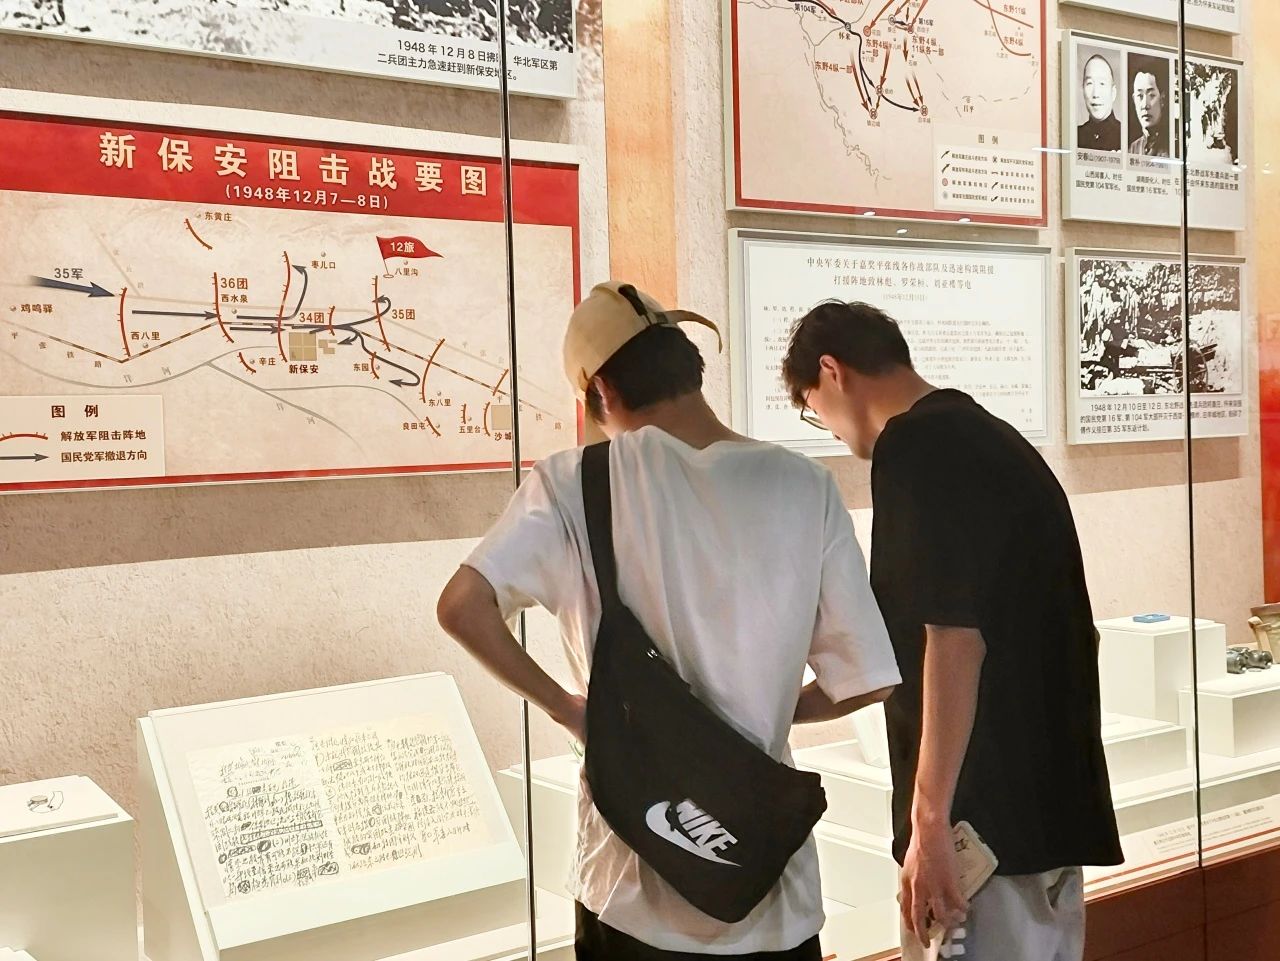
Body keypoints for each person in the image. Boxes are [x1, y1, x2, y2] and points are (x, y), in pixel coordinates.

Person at [437, 282, 901, 960]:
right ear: (688, 365)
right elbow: (868, 679)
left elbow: (461, 607)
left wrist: (571, 710)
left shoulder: (573, 482)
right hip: (769, 885)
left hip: (630, 884)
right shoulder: (804, 484)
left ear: (601, 391)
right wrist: (770, 714)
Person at [782, 302, 1123, 961]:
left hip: (980, 831)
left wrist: (930, 818)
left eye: (810, 407)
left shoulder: (914, 445)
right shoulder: (989, 436)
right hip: (1043, 819)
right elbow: (907, 652)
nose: (826, 427)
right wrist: (783, 707)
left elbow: (955, 638)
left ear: (831, 372)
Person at [1076, 54, 1122, 152]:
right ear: (1083, 90)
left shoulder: (1127, 136)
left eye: (1102, 84)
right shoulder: (1075, 136)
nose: (1096, 94)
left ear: (1113, 92)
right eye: (1089, 83)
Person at [1129, 63, 1169, 157]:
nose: (1145, 105)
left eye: (1151, 95)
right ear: (1134, 100)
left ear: (1162, 99)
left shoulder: (1174, 146)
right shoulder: (1132, 148)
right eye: (1140, 96)